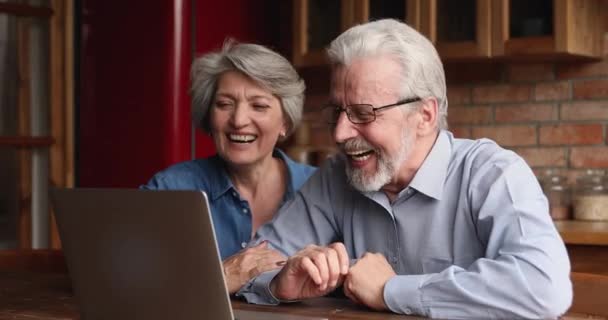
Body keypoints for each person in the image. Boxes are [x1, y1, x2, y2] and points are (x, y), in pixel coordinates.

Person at [237, 19, 572, 319]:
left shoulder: (492, 173)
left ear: (425, 116)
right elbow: (250, 265)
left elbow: (544, 287)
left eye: (364, 114)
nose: (340, 133)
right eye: (337, 111)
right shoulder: (336, 177)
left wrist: (390, 291)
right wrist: (281, 282)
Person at [141, 41, 316, 294]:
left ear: (285, 123)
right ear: (209, 117)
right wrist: (222, 276)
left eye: (259, 106)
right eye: (225, 104)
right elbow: (129, 282)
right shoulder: (170, 189)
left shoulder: (320, 190)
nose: (239, 120)